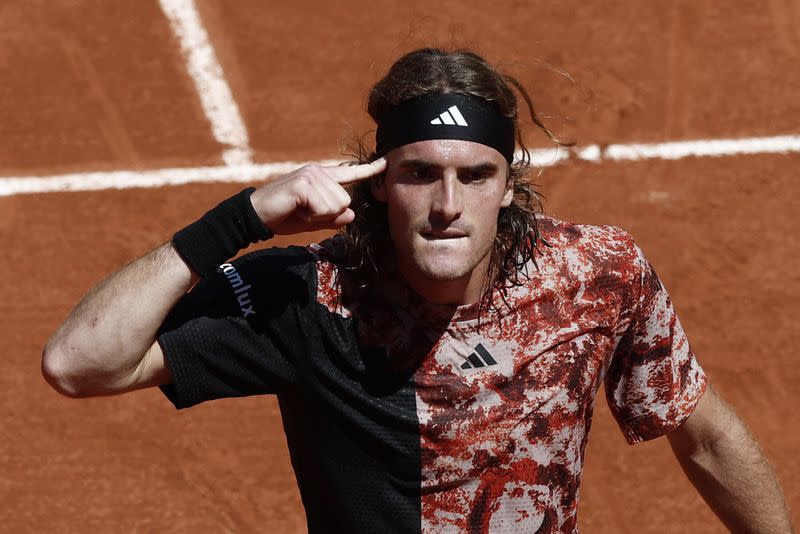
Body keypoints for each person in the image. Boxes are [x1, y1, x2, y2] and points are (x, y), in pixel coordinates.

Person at [42, 48, 793, 533]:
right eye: (418, 173)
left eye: (474, 175)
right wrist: (243, 217)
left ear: (507, 185)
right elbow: (81, 364)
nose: (446, 206)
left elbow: (710, 438)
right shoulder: (309, 297)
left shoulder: (596, 276)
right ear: (378, 183)